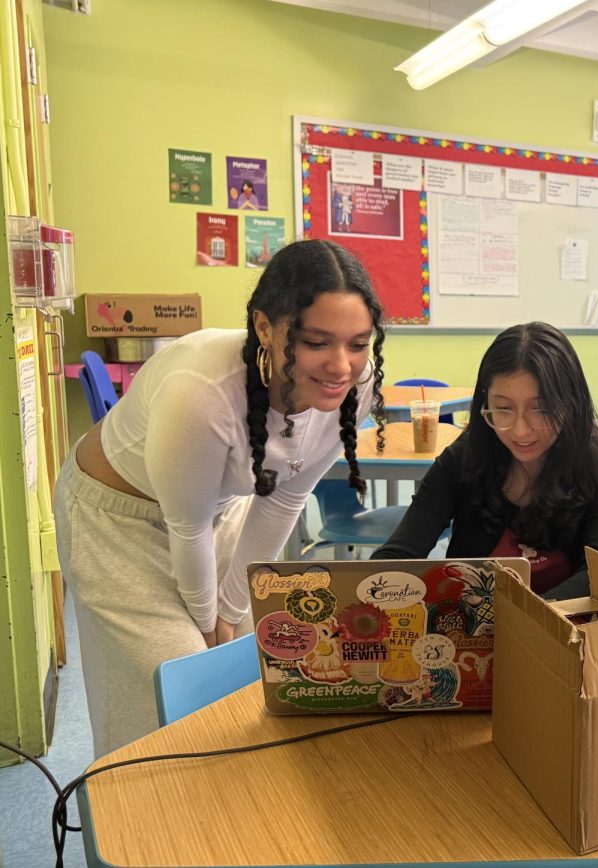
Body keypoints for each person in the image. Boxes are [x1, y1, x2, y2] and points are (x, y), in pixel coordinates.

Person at [54, 239, 387, 755]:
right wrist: (212, 624)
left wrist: (229, 610)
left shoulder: (354, 384)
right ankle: (139, 825)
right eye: (317, 342)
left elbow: (282, 499)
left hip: (216, 509)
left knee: (250, 663)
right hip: (117, 519)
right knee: (170, 688)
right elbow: (185, 528)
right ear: (264, 328)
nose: (341, 365)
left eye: (358, 343)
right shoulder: (201, 389)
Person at [372, 322, 598, 599]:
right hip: (471, 630)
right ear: (485, 402)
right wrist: (373, 585)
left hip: (567, 630)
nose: (520, 430)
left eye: (540, 409)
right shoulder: (463, 460)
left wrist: (526, 618)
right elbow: (400, 553)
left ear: (570, 404)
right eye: (503, 409)